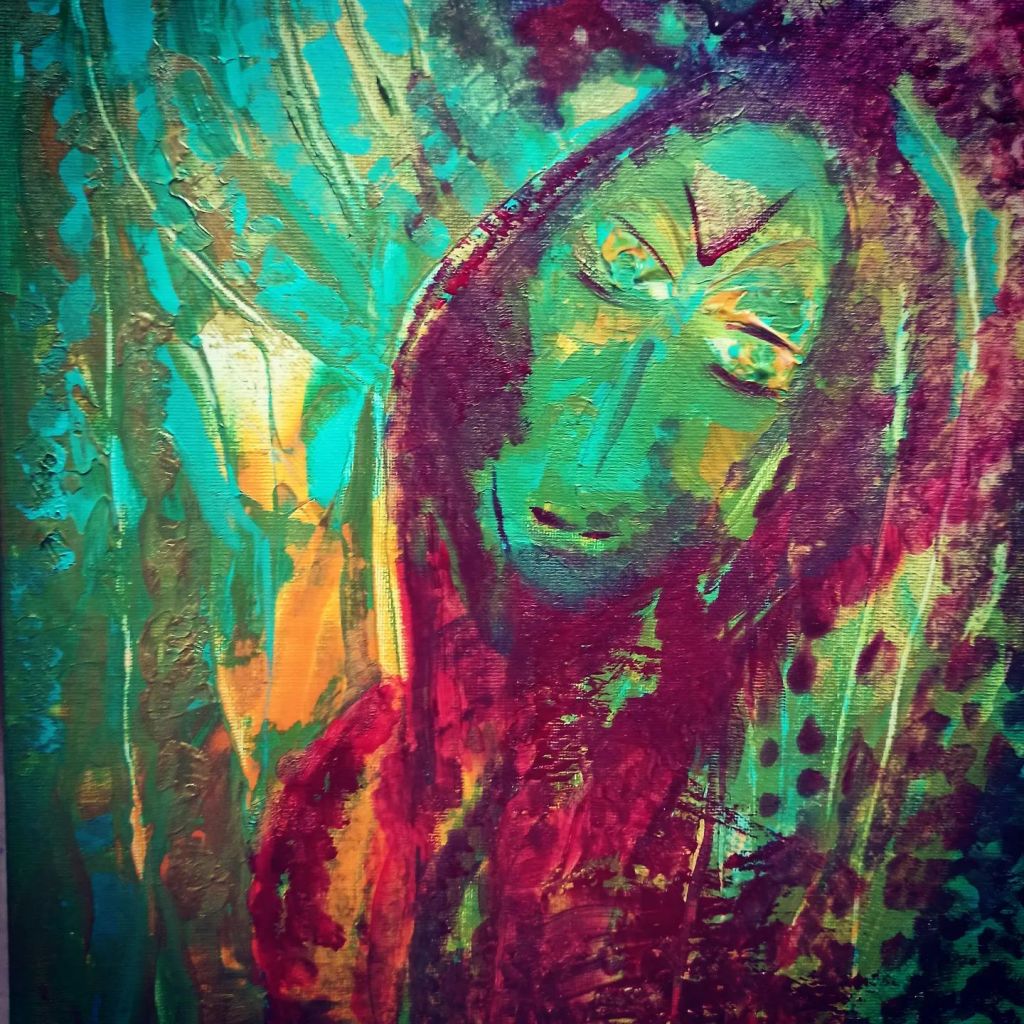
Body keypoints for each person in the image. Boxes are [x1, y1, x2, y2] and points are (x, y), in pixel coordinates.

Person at [250, 70, 1022, 1023]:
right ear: (510, 273)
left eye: (749, 354)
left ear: (821, 456)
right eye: (616, 272)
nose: (614, 431)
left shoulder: (776, 875)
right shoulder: (355, 786)